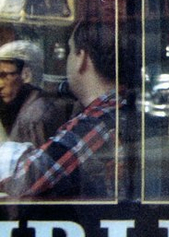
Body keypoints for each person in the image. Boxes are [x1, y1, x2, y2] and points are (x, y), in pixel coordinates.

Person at [0, 22, 123, 198]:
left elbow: (28, 179)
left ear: (82, 57)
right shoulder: (112, 109)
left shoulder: (97, 120)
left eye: (69, 51)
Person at [0, 40, 69, 147]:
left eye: (4, 76)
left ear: (27, 75)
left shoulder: (33, 119)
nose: (0, 85)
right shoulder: (36, 106)